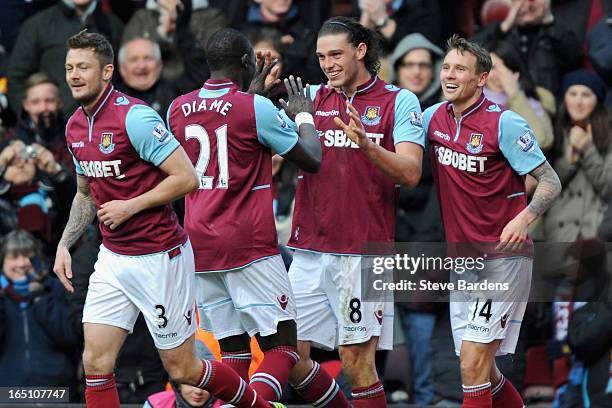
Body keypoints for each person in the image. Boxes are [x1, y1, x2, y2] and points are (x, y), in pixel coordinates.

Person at [53, 30, 283, 408]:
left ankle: (258, 406)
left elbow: (186, 178)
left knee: (184, 369)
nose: (74, 75)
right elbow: (84, 193)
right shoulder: (75, 125)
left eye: (83, 67)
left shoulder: (136, 118)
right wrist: (64, 243)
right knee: (95, 361)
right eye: (69, 68)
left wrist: (130, 205)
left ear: (107, 71)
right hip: (113, 259)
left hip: (160, 257)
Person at [168, 27, 322, 403]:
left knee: (234, 353)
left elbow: (224, 131)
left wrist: (250, 96)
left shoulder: (177, 107)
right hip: (247, 243)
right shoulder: (255, 109)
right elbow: (312, 158)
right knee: (284, 349)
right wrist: (304, 117)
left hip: (199, 245)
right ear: (245, 61)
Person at [415, 35, 561, 407]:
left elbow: (549, 179)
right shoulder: (433, 118)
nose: (449, 75)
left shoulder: (505, 124)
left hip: (502, 258)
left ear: (481, 78)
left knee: (472, 365)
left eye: (459, 69)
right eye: (446, 67)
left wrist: (523, 219)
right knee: (483, 369)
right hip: (463, 261)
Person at [286, 16, 425, 407]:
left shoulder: (398, 101)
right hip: (309, 247)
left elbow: (412, 172)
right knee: (288, 357)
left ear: (360, 51)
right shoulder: (310, 98)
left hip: (365, 254)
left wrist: (368, 146)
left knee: (355, 361)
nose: (327, 64)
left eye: (336, 54)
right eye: (321, 57)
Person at [7, 0, 124, 114]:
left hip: (102, 124)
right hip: (53, 125)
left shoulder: (114, 25)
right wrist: (31, 120)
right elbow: (16, 77)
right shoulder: (38, 25)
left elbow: (120, 79)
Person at [0, 229, 79, 391]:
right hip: (8, 391)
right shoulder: (2, 297)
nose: (22, 263)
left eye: (27, 256)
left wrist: (40, 297)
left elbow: (70, 337)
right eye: (14, 257)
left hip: (55, 390)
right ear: (3, 262)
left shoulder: (54, 288)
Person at [544, 69, 612, 243]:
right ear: (565, 99)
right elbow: (544, 191)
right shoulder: (553, 133)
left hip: (595, 232)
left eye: (586, 94)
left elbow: (608, 190)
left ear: (597, 100)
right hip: (559, 236)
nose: (579, 102)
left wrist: (588, 150)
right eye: (573, 94)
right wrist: (569, 162)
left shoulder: (609, 135)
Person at [471, 0, 582, 96]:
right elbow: (467, 54)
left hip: (547, 109)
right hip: (506, 105)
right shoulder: (500, 30)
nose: (527, 6)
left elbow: (574, 58)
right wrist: (505, 26)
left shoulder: (556, 30)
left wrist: (548, 20)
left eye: (532, 1)